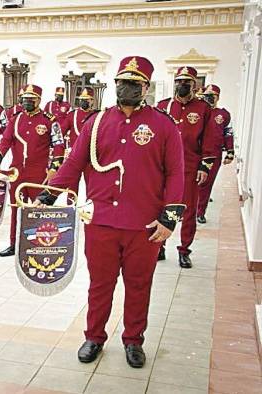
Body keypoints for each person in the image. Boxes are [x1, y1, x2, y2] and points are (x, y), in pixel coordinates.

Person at [37, 56, 185, 368]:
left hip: (144, 225)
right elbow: (74, 163)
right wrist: (47, 196)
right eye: (121, 82)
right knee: (100, 284)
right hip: (101, 222)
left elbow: (175, 173)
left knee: (138, 285)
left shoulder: (163, 126)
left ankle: (133, 340)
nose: (125, 88)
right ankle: (94, 336)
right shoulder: (96, 123)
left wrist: (169, 218)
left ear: (144, 87)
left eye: (133, 83)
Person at [0, 84, 64, 257]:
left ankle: (39, 244)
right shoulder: (15, 119)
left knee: (38, 209)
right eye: (25, 98)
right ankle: (14, 244)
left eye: (31, 99)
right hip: (17, 173)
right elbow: (5, 141)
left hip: (39, 174)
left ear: (39, 100)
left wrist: (54, 169)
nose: (27, 102)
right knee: (16, 208)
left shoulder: (49, 121)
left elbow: (59, 145)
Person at [156, 66, 217, 268]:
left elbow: (209, 139)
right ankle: (160, 245)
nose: (182, 85)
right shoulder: (163, 107)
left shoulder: (203, 108)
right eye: (179, 81)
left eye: (187, 82)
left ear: (194, 84)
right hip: (163, 168)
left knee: (188, 210)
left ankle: (184, 250)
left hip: (190, 167)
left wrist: (205, 166)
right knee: (160, 206)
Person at [197, 84, 234, 223]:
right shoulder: (198, 111)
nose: (209, 98)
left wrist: (230, 152)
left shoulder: (223, 114)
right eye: (206, 95)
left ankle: (200, 212)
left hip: (214, 155)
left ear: (218, 97)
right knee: (192, 184)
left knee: (206, 184)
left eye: (212, 95)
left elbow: (228, 133)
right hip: (196, 153)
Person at [59, 87, 97, 158]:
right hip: (74, 153)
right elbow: (61, 133)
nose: (83, 101)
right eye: (81, 99)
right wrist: (61, 150)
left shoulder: (96, 115)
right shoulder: (72, 115)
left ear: (92, 101)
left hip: (90, 154)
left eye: (86, 100)